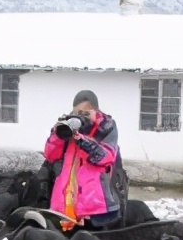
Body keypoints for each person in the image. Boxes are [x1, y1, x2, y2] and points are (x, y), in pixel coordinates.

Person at [43, 90, 124, 231]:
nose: (82, 116)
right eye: (78, 112)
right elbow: (51, 155)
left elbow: (105, 157)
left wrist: (83, 140)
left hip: (94, 204)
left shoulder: (106, 127)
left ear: (96, 111)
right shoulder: (68, 124)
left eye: (86, 112)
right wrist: (58, 134)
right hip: (66, 202)